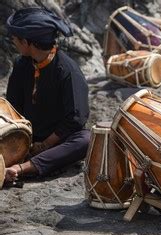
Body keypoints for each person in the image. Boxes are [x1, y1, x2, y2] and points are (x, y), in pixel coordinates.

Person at [3, 7, 90, 186]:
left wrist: (44, 145)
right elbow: (12, 106)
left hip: (56, 141)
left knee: (86, 140)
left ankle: (21, 168)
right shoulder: (21, 64)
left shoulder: (68, 71)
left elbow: (76, 118)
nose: (13, 41)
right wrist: (20, 138)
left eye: (16, 39)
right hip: (26, 137)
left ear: (27, 42)